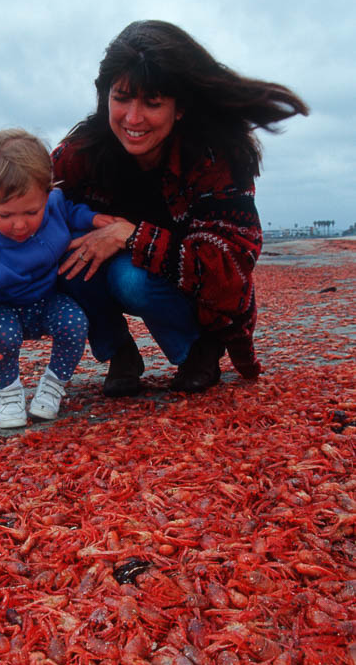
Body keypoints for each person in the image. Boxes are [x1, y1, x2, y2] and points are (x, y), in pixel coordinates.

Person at [53, 20, 309, 396]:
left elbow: (230, 269)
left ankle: (198, 351)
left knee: (130, 277)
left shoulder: (214, 157)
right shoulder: (82, 153)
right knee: (62, 251)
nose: (133, 118)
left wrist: (132, 236)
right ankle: (120, 352)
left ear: (180, 108)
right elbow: (15, 202)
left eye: (152, 103)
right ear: (104, 93)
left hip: (193, 292)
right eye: (121, 97)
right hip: (115, 274)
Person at [0, 128, 116, 428]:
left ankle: (53, 385)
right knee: (0, 333)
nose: (20, 224)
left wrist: (92, 219)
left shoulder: (54, 204)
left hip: (46, 301)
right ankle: (8, 392)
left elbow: (69, 211)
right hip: (5, 311)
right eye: (6, 215)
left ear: (47, 195)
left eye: (31, 212)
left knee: (74, 322)